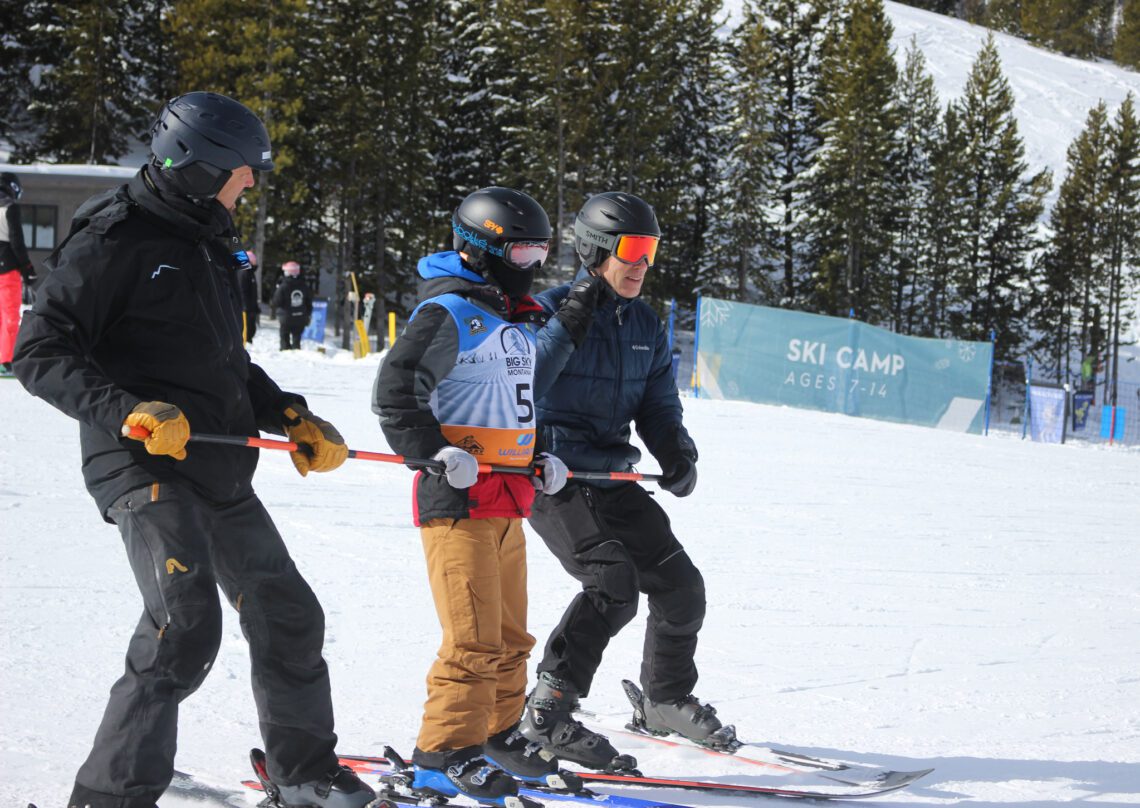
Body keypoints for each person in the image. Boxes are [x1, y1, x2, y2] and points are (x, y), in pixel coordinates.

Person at [12, 91, 374, 808]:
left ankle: (303, 773)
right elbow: (38, 349)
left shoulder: (206, 239)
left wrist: (290, 415)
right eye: (242, 172)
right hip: (142, 462)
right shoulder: (113, 238)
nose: (250, 185)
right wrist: (128, 413)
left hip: (214, 463)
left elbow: (223, 361)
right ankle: (109, 798)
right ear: (202, 167)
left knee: (288, 614)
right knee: (185, 625)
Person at [372, 187, 570, 806]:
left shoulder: (513, 320)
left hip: (510, 501)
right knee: (473, 641)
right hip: (457, 501)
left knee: (511, 639)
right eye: (524, 248)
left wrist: (539, 456)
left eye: (541, 248)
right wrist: (430, 451)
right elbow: (397, 392)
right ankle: (442, 755)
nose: (535, 261)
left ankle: (496, 737)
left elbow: (509, 405)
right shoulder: (452, 312)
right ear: (486, 247)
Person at [519, 192, 726, 768]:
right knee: (613, 584)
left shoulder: (645, 325)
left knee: (681, 587)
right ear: (596, 250)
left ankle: (664, 700)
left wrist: (677, 453)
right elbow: (527, 382)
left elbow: (659, 405)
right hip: (552, 474)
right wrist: (572, 319)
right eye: (631, 250)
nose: (641, 264)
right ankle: (547, 712)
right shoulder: (547, 310)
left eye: (650, 251)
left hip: (611, 474)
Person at [1, 171, 35, 377]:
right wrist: (27, 269)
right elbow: (16, 241)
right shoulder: (9, 207)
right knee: (9, 315)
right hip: (6, 268)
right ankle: (6, 361)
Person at [272, 260, 312, 350]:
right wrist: (307, 313)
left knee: (284, 336)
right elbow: (309, 301)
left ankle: (285, 350)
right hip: (300, 316)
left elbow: (276, 301)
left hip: (286, 317)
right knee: (297, 338)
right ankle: (296, 350)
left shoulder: (283, 286)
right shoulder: (304, 285)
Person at [238, 248, 261, 344]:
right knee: (244, 331)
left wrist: (255, 307)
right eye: (254, 261)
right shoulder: (244, 273)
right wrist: (244, 306)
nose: (255, 263)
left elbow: (252, 292)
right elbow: (242, 290)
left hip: (250, 308)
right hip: (244, 309)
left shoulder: (250, 273)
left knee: (250, 329)